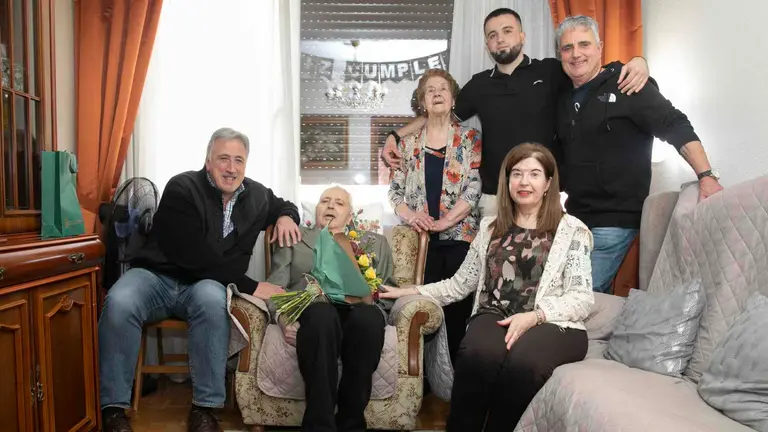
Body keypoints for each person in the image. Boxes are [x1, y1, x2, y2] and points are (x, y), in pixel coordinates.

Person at [98, 127, 301, 432]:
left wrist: (286, 216)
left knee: (211, 298)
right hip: (157, 277)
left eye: (238, 160)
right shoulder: (182, 187)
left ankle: (205, 410)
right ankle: (113, 411)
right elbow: (194, 256)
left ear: (245, 165)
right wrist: (253, 286)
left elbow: (284, 205)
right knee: (119, 300)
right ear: (208, 161)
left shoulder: (257, 196)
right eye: (223, 159)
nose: (231, 168)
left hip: (203, 286)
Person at [381, 143, 594, 431]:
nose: (524, 182)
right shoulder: (490, 228)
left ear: (548, 183)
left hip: (552, 322)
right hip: (495, 313)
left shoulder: (573, 230)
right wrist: (406, 291)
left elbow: (581, 298)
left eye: (534, 174)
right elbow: (459, 284)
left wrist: (534, 317)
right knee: (477, 355)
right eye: (516, 174)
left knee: (525, 363)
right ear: (507, 181)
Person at [381, 8, 651, 218]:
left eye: (507, 31)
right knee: (491, 271)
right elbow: (438, 115)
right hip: (494, 199)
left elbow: (592, 72)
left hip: (545, 196)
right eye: (492, 35)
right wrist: (395, 135)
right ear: (487, 45)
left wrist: (638, 62)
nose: (500, 39)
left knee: (544, 271)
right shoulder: (479, 85)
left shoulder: (552, 71)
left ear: (522, 36)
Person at [555, 15, 724, 293]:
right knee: (574, 295)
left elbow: (674, 123)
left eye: (584, 44)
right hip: (573, 218)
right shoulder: (562, 97)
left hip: (615, 220)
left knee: (578, 294)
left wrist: (706, 175)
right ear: (559, 54)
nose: (576, 54)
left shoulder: (627, 83)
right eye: (567, 48)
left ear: (599, 47)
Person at [267, 186, 396, 432]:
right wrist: (283, 319)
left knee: (368, 320)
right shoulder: (295, 238)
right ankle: (319, 424)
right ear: (316, 210)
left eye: (339, 203)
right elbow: (275, 288)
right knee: (321, 315)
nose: (330, 206)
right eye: (325, 201)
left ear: (350, 216)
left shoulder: (375, 242)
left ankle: (351, 422)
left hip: (359, 309)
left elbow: (386, 291)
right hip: (313, 308)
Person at [388, 68, 482, 361]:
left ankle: (457, 373)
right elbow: (395, 193)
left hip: (460, 237)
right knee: (422, 307)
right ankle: (425, 377)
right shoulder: (407, 144)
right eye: (430, 90)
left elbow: (475, 186)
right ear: (422, 102)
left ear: (453, 99)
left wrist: (446, 221)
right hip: (422, 240)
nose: (437, 93)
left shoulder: (470, 138)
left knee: (457, 310)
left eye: (443, 88)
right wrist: (412, 216)